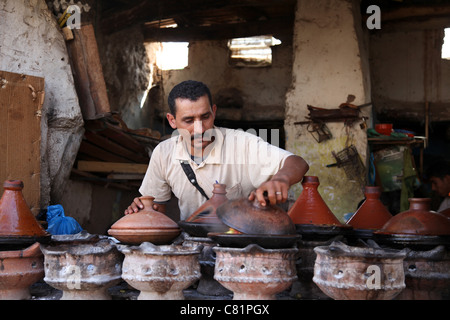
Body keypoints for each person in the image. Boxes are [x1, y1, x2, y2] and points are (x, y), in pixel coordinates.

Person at [124, 80, 309, 220]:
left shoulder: (242, 143)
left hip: (240, 244)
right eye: (188, 120)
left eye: (205, 117)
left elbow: (297, 163)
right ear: (172, 121)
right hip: (192, 247)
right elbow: (157, 211)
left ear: (213, 111)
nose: (200, 129)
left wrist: (280, 179)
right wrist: (142, 210)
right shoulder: (163, 153)